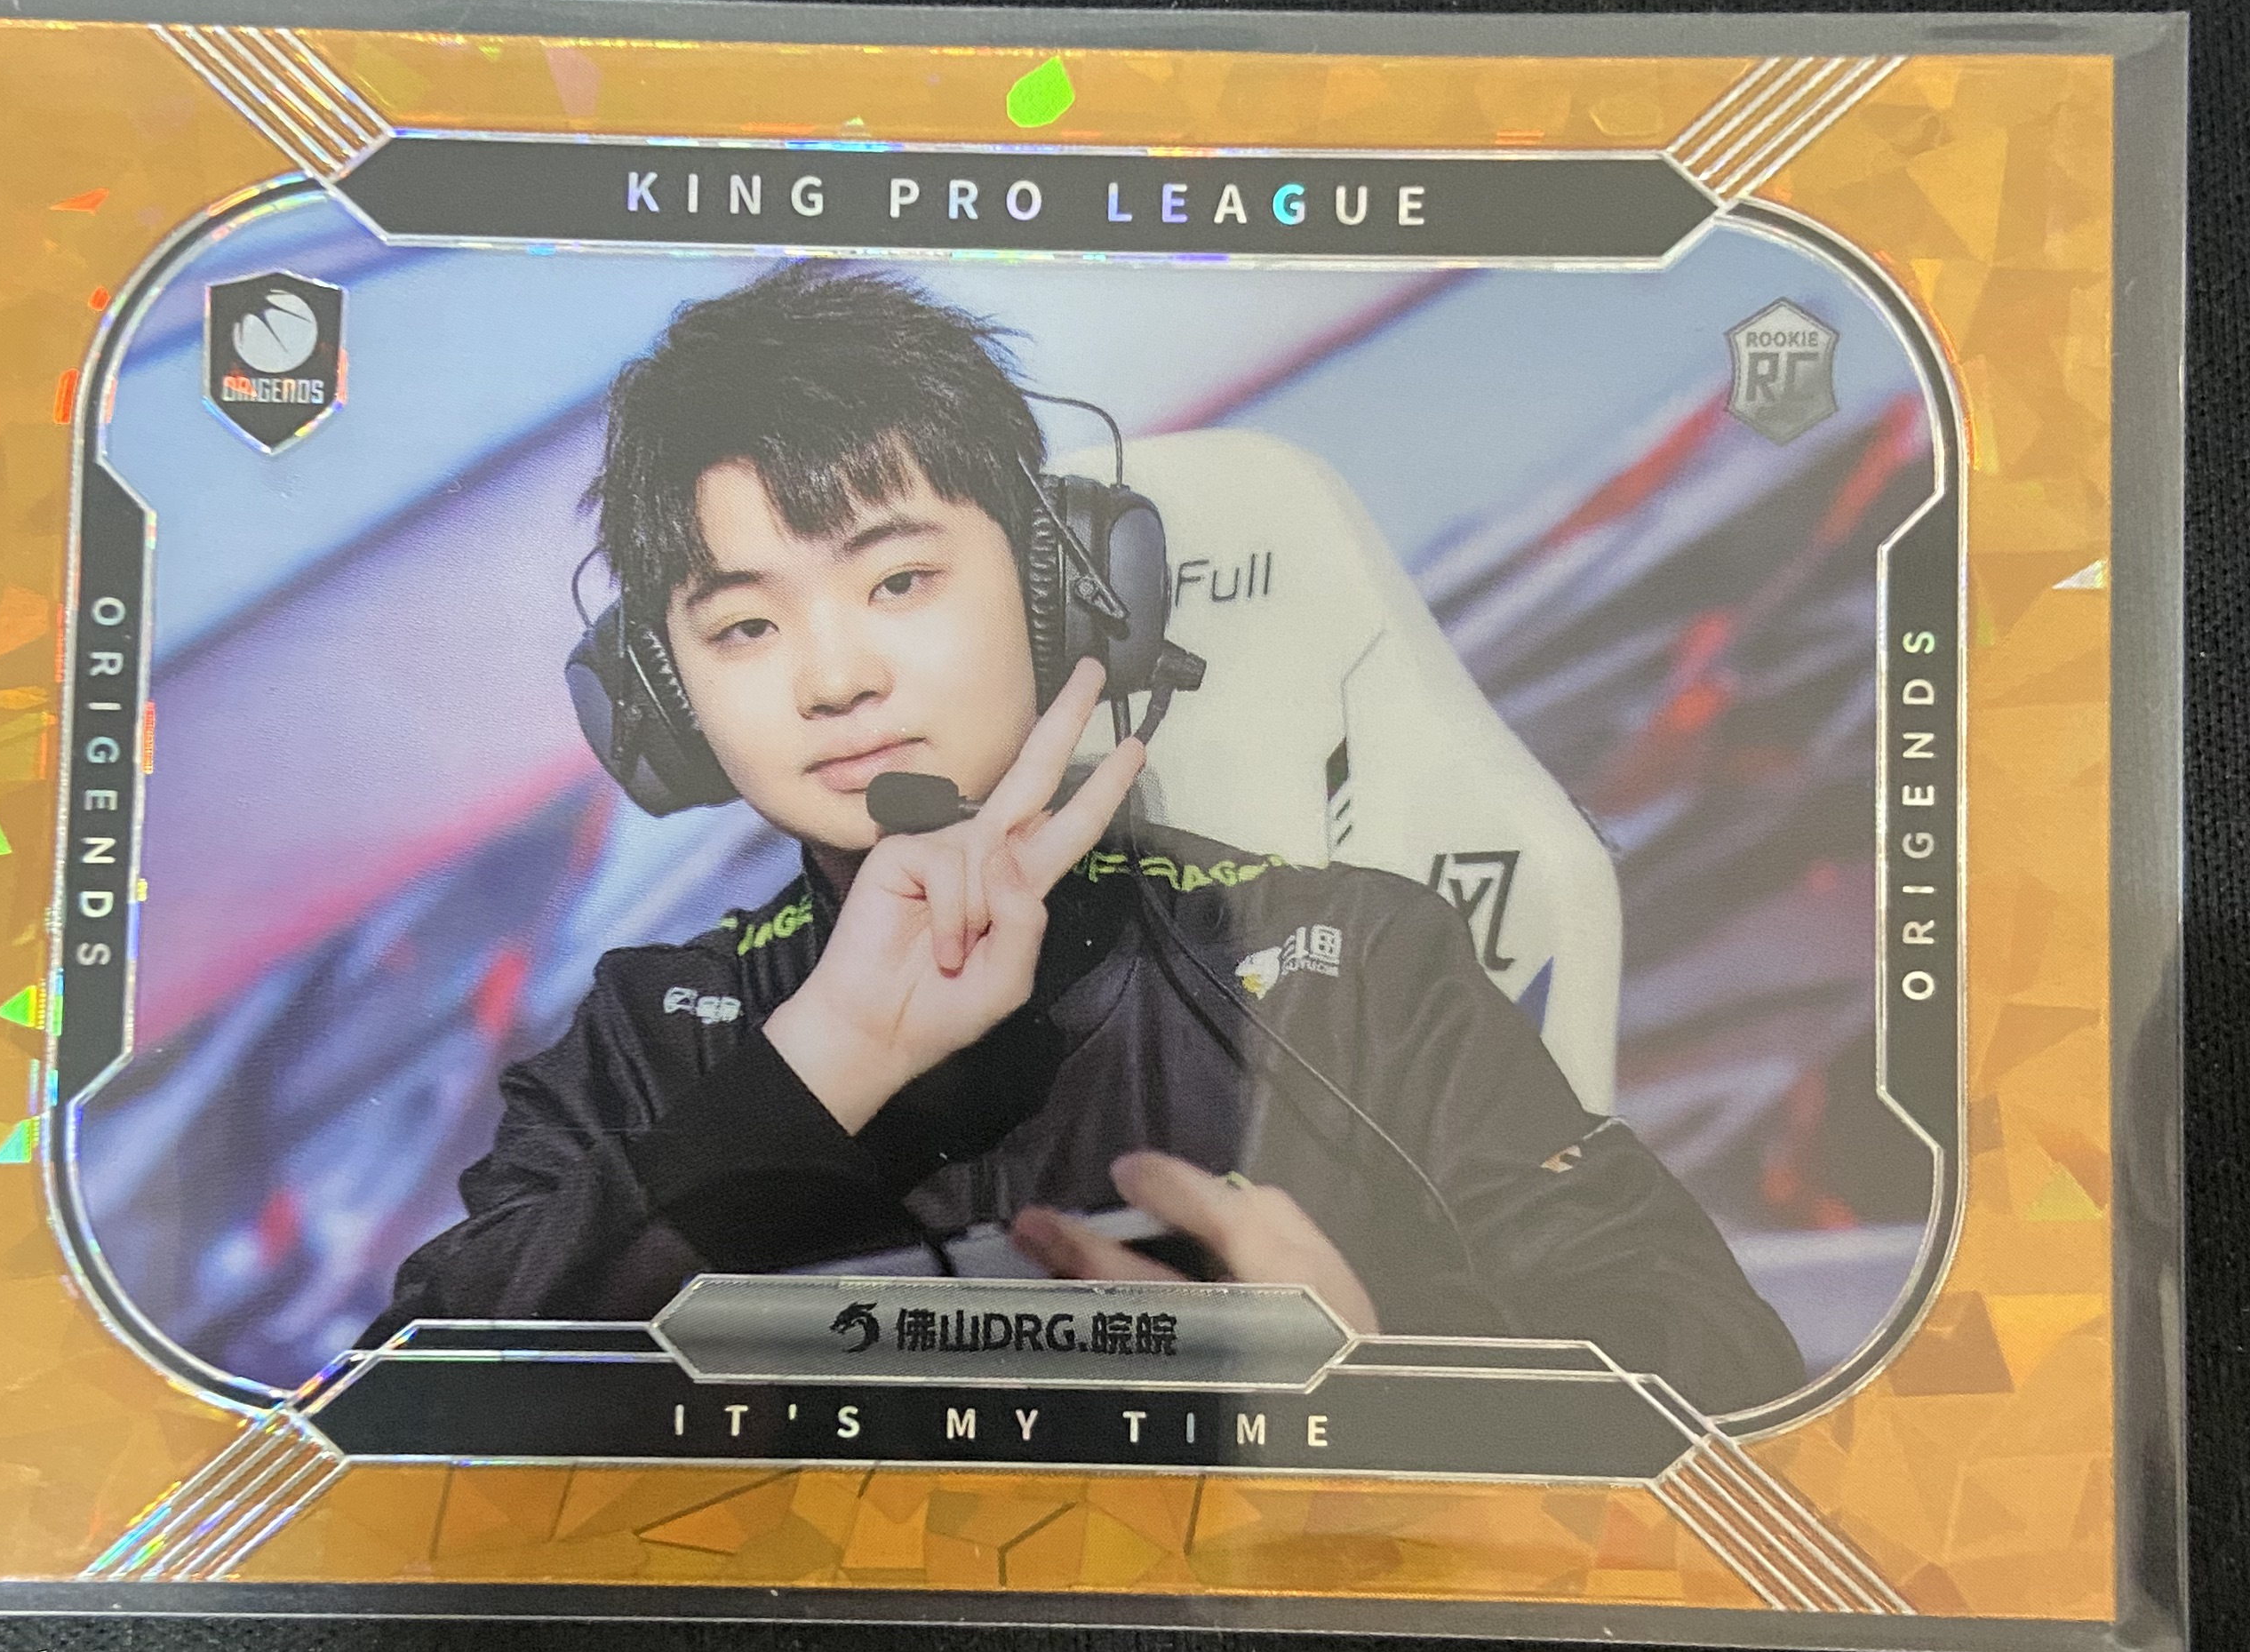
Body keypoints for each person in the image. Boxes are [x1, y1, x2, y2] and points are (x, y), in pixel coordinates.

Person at [374, 267, 1802, 1409]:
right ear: (661, 701)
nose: (834, 677)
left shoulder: (1352, 962)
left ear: (1065, 592)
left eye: (899, 580)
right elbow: (408, 1420)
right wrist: (820, 1070)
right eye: (745, 625)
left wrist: (1379, 1387)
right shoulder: (649, 1034)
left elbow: (1718, 1365)